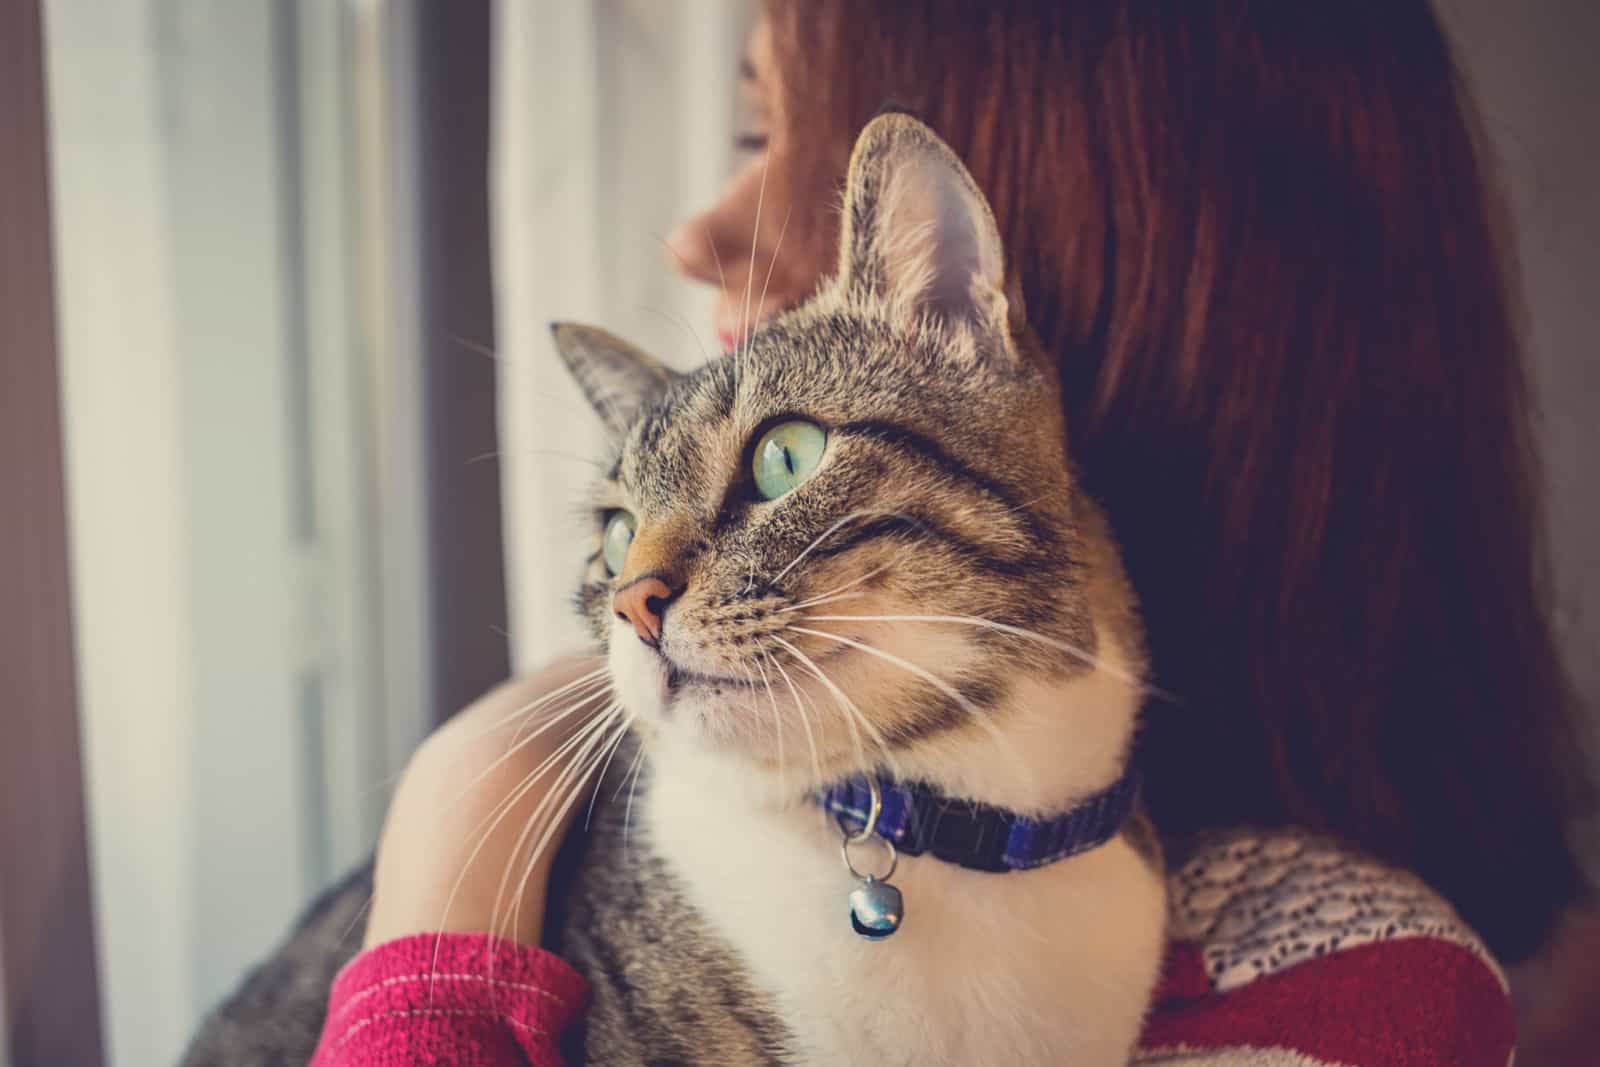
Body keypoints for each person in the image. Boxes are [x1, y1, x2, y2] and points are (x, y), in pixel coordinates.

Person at [313, 2, 1596, 1063]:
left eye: (779, 129)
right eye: (621, 544)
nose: (697, 235)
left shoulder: (1348, 967)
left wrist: (446, 863)